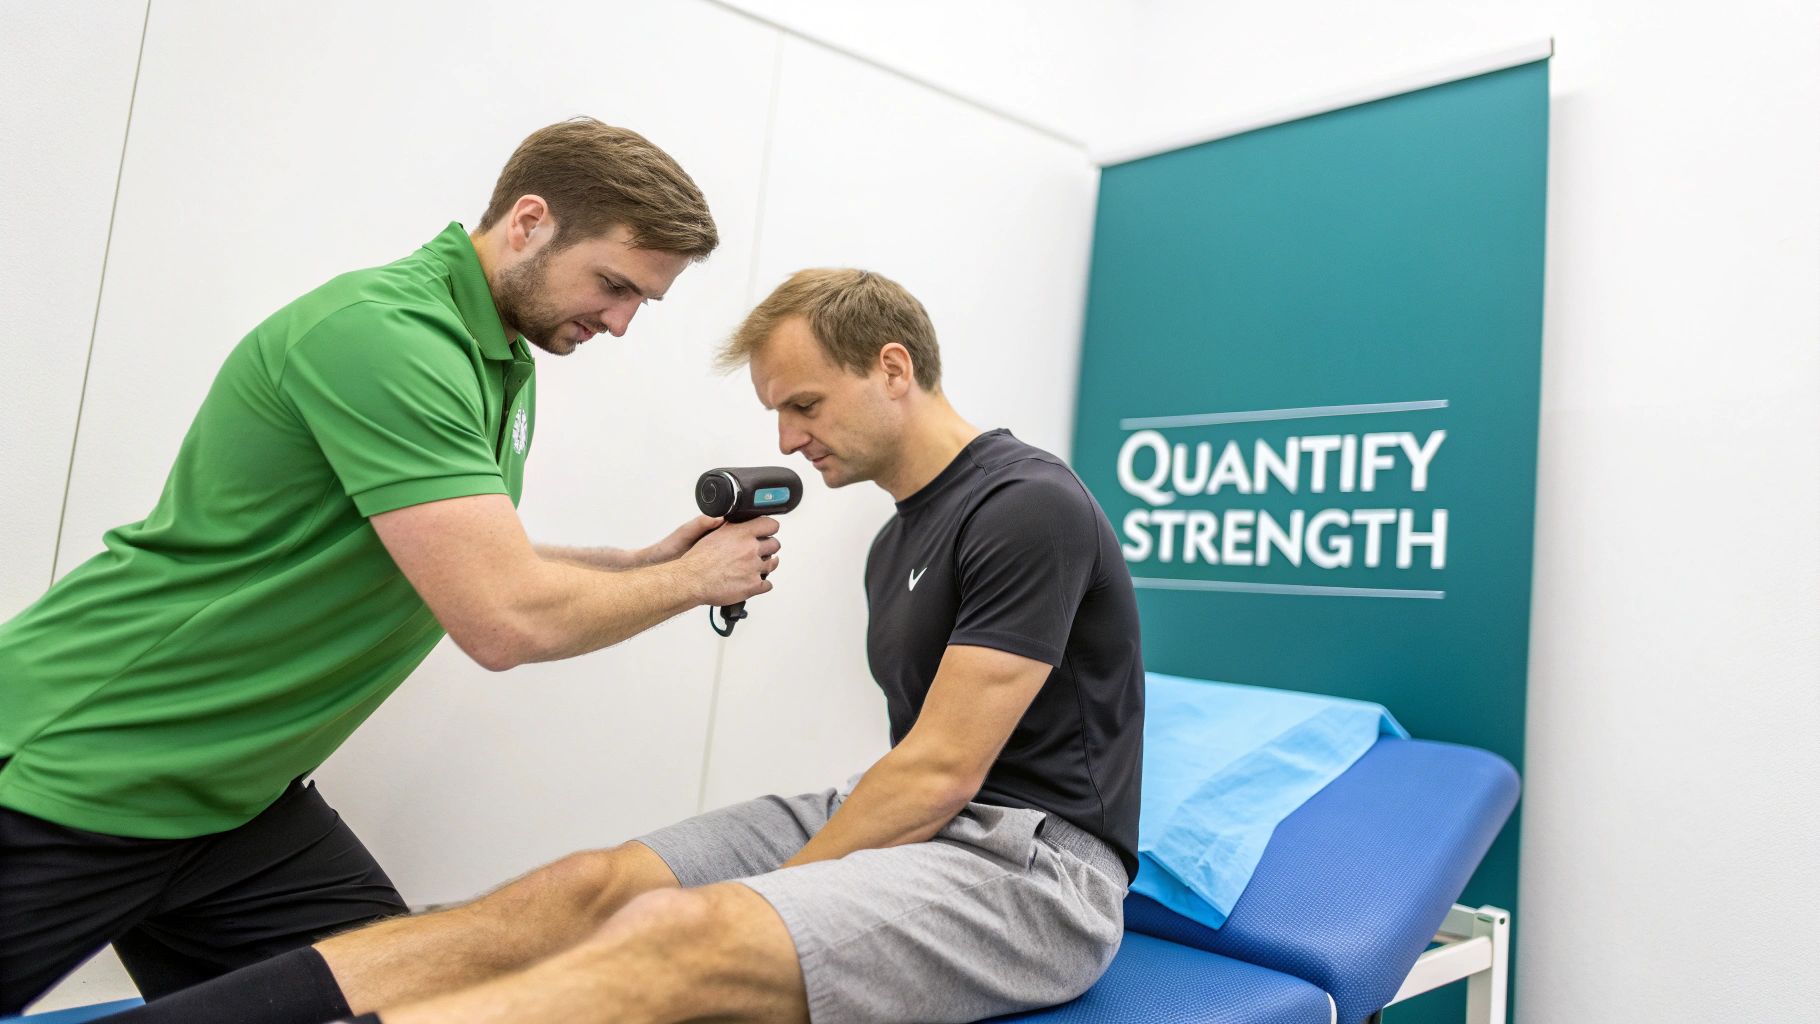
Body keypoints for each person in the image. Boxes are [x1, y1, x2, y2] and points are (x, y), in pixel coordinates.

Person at [110, 267, 1145, 1024]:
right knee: (586, 888)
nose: (787, 439)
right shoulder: (895, 540)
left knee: (681, 932)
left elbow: (940, 770)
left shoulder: (1027, 505)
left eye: (804, 404)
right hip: (911, 813)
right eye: (777, 412)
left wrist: (771, 897)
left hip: (1033, 868)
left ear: (892, 367)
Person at [0, 117, 785, 1015]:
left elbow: (446, 550)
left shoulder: (497, 359)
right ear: (529, 222)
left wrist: (635, 564)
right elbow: (504, 618)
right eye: (613, 285)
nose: (619, 322)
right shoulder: (388, 336)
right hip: (89, 761)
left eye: (642, 301)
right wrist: (694, 581)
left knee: (413, 1000)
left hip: (235, 804)